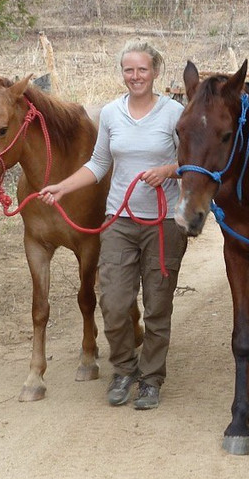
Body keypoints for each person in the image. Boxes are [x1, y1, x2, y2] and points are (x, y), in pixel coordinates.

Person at [39, 40, 187, 411]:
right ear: (122, 73)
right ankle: (123, 368)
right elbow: (99, 163)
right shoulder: (111, 113)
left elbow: (193, 162)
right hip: (119, 219)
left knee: (157, 306)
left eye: (142, 69)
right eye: (128, 70)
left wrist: (168, 170)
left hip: (164, 222)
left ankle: (151, 379)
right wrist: (62, 187)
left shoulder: (174, 113)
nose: (135, 76)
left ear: (155, 72)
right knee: (114, 302)